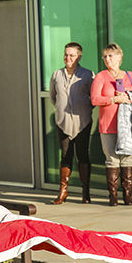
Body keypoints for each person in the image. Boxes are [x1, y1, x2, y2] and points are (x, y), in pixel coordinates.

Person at [90, 42, 132, 206]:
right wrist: (114, 99)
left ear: (120, 57)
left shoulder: (129, 76)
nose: (107, 59)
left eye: (110, 56)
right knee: (112, 160)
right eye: (105, 56)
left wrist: (128, 95)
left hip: (127, 126)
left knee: (127, 159)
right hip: (108, 126)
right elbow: (94, 99)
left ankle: (127, 195)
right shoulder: (101, 76)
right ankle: (113, 196)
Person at [49, 42, 94, 205]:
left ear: (79, 56)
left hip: (82, 121)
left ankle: (85, 191)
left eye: (72, 55)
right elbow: (53, 97)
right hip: (63, 122)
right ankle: (63, 190)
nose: (68, 58)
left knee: (83, 155)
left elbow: (93, 98)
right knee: (65, 155)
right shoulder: (56, 75)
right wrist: (62, 109)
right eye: (66, 54)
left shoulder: (88, 75)